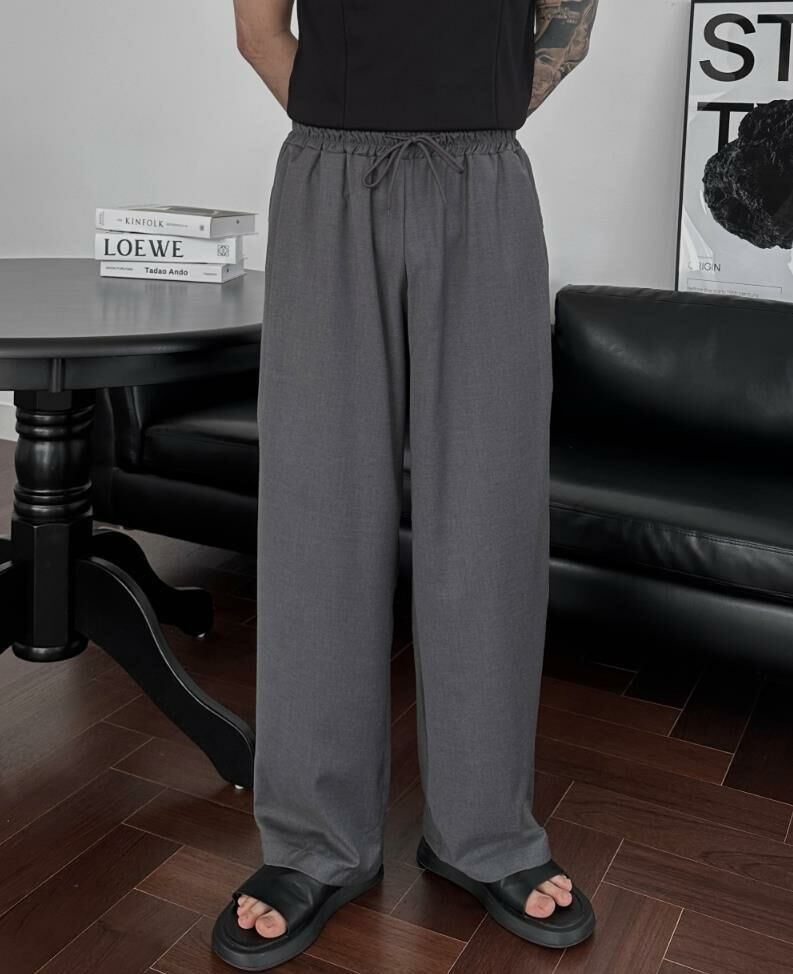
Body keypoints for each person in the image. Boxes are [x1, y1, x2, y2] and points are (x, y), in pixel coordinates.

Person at [213, 1, 600, 969]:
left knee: (489, 519)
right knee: (317, 516)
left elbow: (570, 19)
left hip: (485, 179)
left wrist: (472, 114)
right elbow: (258, 30)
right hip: (328, 176)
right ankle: (315, 841)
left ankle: (482, 832)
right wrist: (355, 119)